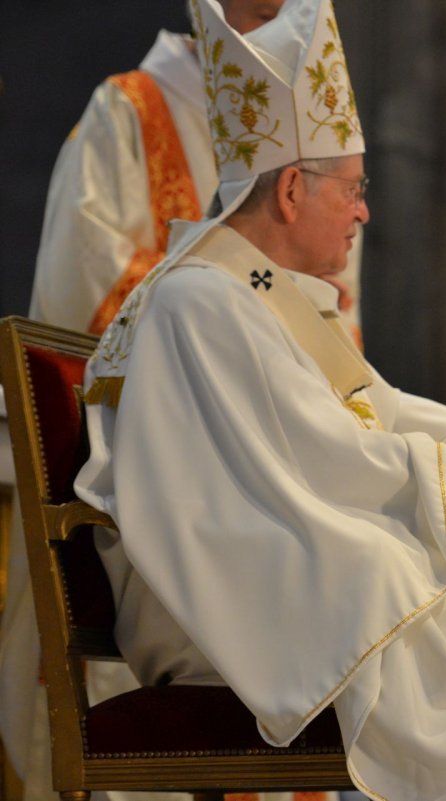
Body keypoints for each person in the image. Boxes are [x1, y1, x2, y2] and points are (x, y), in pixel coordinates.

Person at [72, 2, 446, 800]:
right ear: (293, 188)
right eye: (355, 188)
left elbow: (383, 419)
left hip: (297, 581)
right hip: (232, 612)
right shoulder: (199, 301)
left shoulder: (262, 293)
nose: (365, 210)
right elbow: (332, 463)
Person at [1, 5, 358, 801]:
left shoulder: (314, 136)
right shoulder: (131, 109)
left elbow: (334, 323)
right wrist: (243, 318)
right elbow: (88, 292)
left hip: (283, 504)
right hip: (170, 513)